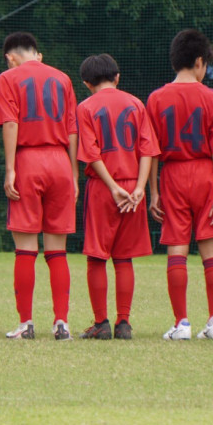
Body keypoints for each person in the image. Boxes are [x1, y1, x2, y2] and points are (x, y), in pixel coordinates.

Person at [147, 29, 213, 340]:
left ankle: (181, 323)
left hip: (173, 175)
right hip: (205, 174)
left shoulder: (156, 98)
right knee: (211, 249)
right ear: (200, 62)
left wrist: (153, 191)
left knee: (177, 251)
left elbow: (152, 148)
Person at [0, 32, 78, 340]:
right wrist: (73, 174)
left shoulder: (7, 78)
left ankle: (26, 324)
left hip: (28, 160)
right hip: (59, 161)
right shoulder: (63, 79)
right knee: (57, 251)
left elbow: (12, 123)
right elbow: (72, 129)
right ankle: (61, 323)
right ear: (37, 52)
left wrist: (11, 169)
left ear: (10, 56)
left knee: (25, 248)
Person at [75, 54, 160, 340]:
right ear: (117, 77)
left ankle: (101, 323)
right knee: (124, 258)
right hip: (132, 187)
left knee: (97, 257)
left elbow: (90, 152)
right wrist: (139, 187)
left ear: (87, 83)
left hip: (103, 187)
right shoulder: (136, 103)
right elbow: (148, 149)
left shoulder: (85, 107)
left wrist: (112, 187)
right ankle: (124, 323)